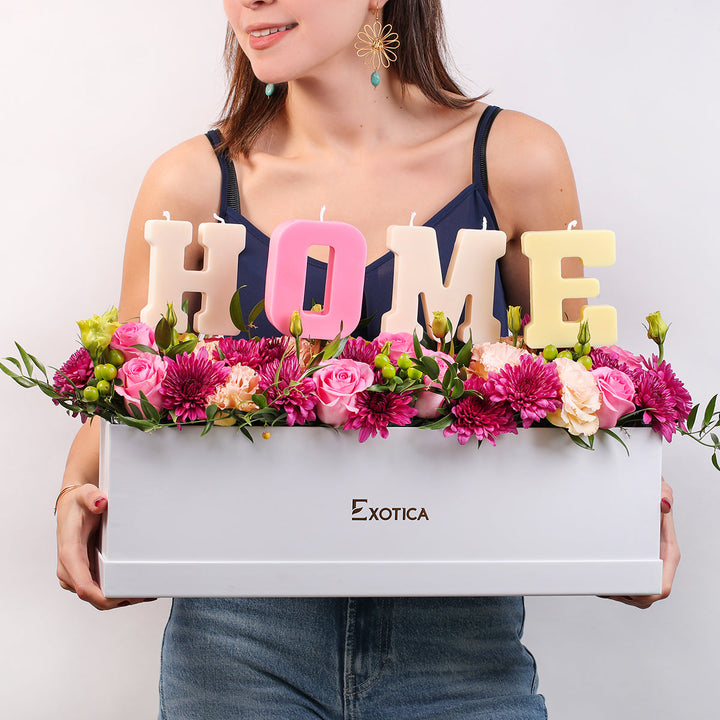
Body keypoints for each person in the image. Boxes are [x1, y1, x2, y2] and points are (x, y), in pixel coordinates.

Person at [55, 1, 680, 717]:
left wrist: (619, 513)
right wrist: (76, 495)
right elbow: (121, 408)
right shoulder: (190, 182)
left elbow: (577, 394)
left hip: (459, 640)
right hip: (238, 639)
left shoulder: (516, 160)